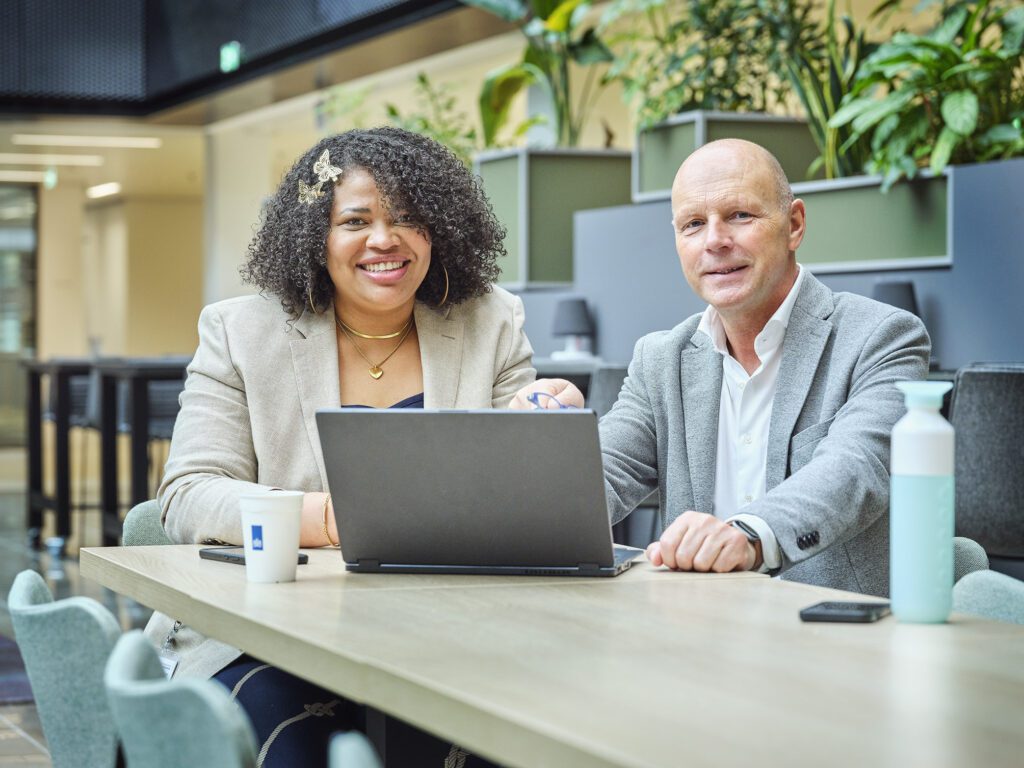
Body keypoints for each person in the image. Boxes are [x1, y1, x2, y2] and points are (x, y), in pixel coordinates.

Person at [145, 126, 581, 765]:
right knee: (300, 747)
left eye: (408, 218)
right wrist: (335, 517)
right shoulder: (241, 332)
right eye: (355, 220)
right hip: (267, 636)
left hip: (453, 636)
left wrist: (544, 429)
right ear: (314, 237)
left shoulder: (491, 322)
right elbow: (187, 496)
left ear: (440, 231)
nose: (384, 239)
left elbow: (518, 496)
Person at [599, 138, 929, 597]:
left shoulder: (882, 337)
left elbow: (856, 468)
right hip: (693, 633)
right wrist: (546, 445)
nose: (715, 241)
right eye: (693, 224)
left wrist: (750, 534)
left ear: (793, 225)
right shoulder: (660, 359)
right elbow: (600, 476)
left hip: (837, 639)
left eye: (740, 216)